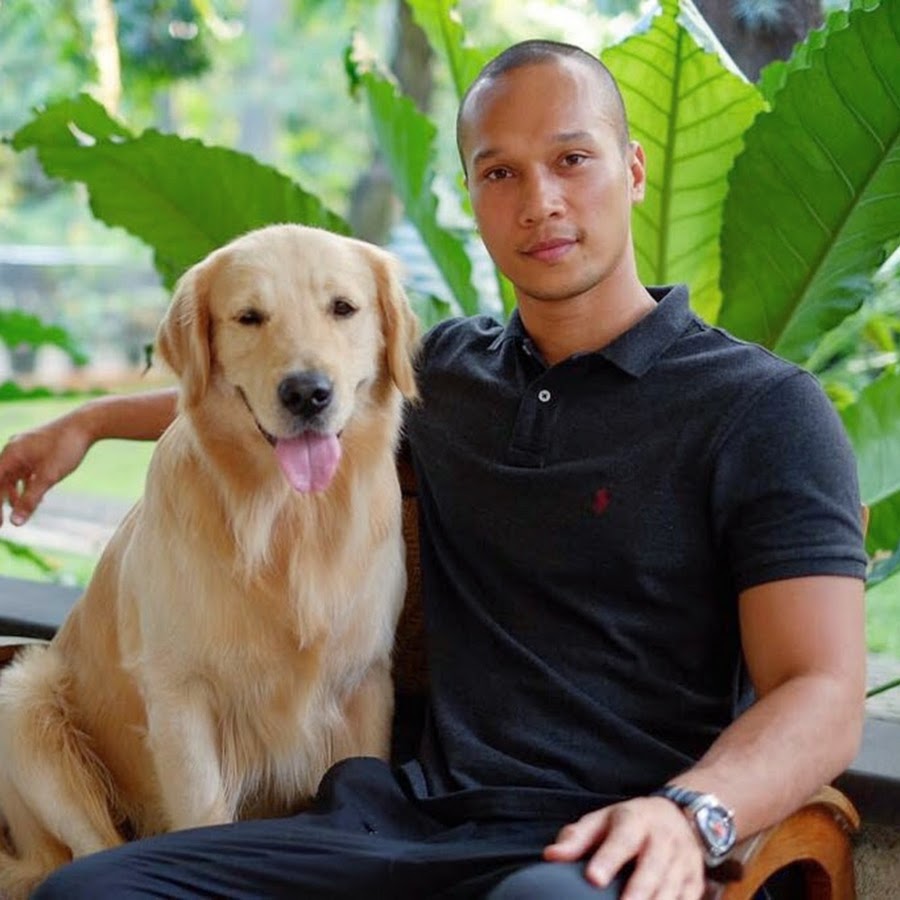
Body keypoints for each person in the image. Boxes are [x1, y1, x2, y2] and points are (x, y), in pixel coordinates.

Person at [0, 40, 867, 900]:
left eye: (572, 159)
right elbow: (275, 395)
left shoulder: (764, 410)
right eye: (500, 173)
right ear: (473, 199)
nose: (540, 201)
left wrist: (692, 814)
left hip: (604, 839)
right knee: (87, 895)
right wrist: (89, 423)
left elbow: (823, 692)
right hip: (403, 817)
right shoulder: (449, 375)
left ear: (634, 170)